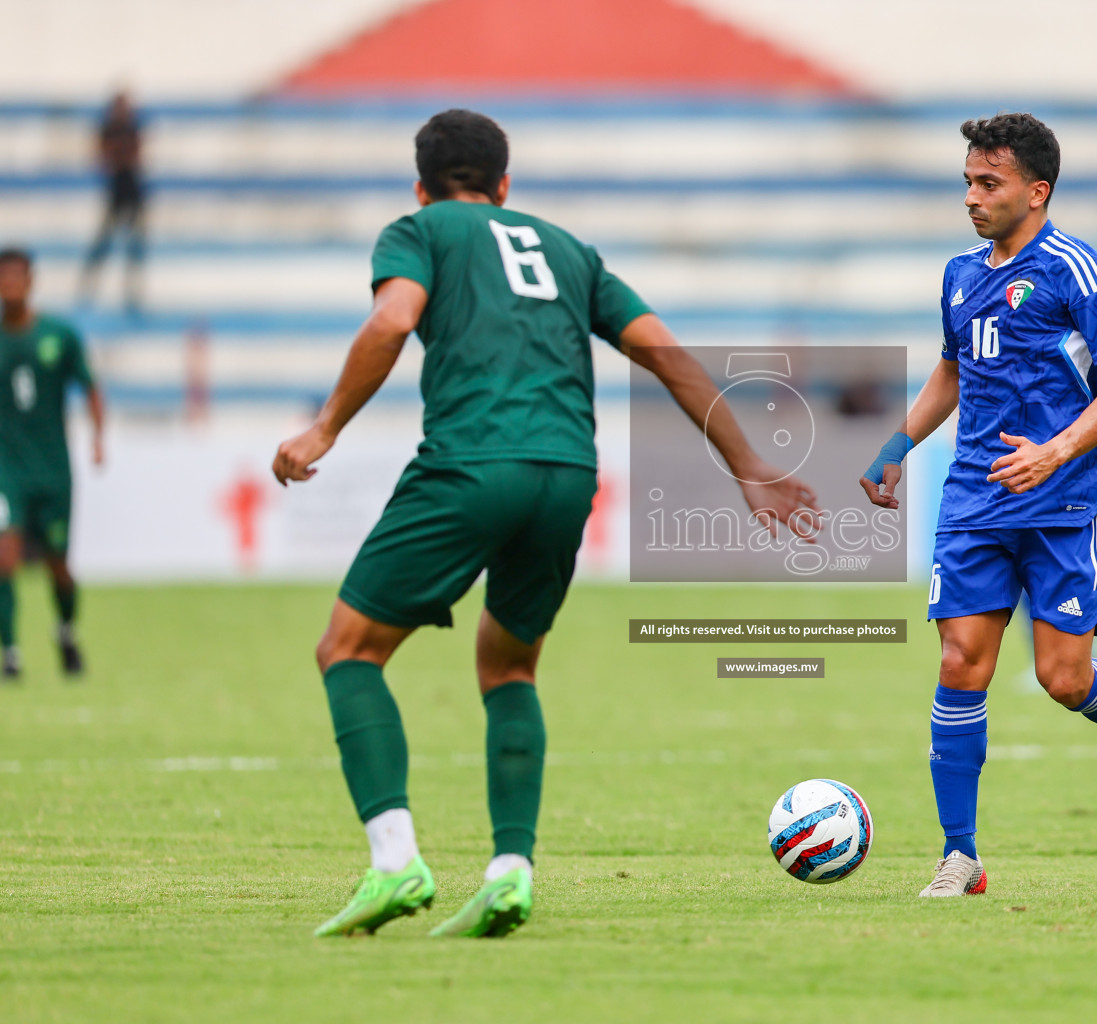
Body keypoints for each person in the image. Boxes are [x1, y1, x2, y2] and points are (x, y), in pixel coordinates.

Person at [272, 109, 819, 938]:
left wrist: (322, 429)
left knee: (347, 649)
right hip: (567, 473)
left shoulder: (420, 230)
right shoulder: (566, 249)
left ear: (423, 186)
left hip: (471, 463)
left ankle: (395, 862)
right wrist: (747, 463)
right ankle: (510, 872)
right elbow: (665, 351)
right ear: (505, 184)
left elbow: (392, 319)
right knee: (509, 664)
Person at [859, 113, 1097, 899]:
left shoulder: (1075, 269)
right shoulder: (960, 273)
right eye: (967, 181)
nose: (971, 196)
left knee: (1064, 679)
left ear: (1037, 191)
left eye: (987, 183)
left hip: (1061, 501)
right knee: (961, 661)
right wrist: (897, 447)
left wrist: (1054, 451)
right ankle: (959, 856)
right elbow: (953, 373)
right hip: (972, 498)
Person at [0, 247, 104, 679]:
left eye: (16, 277)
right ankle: (11, 654)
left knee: (57, 565)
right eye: (3, 278)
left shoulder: (59, 336)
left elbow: (90, 387)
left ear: (31, 281)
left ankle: (65, 630)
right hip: (7, 471)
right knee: (4, 559)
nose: (10, 286)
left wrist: (99, 437)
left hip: (53, 471)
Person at [79, 90, 146, 313]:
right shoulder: (110, 130)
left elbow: (136, 157)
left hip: (131, 190)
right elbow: (102, 157)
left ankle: (132, 295)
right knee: (104, 243)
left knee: (133, 246)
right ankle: (89, 290)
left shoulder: (131, 128)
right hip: (118, 189)